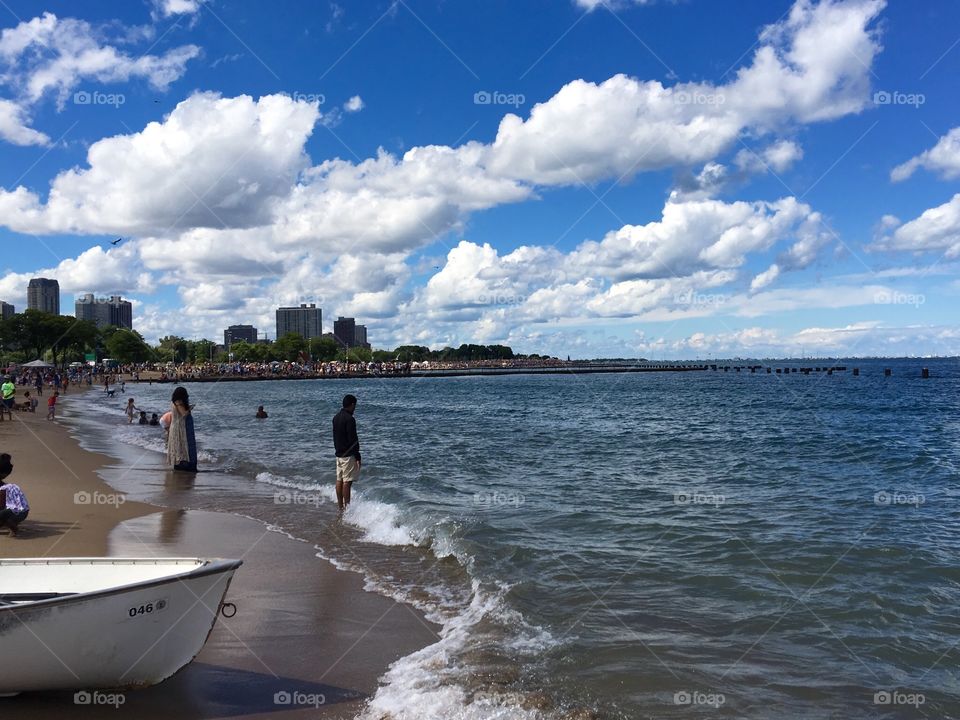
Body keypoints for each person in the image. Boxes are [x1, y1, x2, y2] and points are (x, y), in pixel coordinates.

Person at [332, 394, 361, 511]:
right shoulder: (350, 419)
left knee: (339, 480)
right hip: (348, 455)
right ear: (352, 405)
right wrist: (358, 456)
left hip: (338, 454)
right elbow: (353, 439)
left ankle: (341, 507)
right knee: (347, 482)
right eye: (355, 406)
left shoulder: (335, 417)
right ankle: (348, 509)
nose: (355, 409)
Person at [166, 386, 198, 472]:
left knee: (178, 446)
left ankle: (179, 464)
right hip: (179, 427)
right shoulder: (178, 402)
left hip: (176, 426)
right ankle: (185, 465)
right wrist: (190, 408)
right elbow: (183, 413)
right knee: (183, 445)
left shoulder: (174, 402)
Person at [0, 454, 29, 536]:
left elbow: (2, 506)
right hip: (19, 510)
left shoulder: (4, 488)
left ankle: (12, 526)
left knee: (4, 516)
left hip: (17, 512)